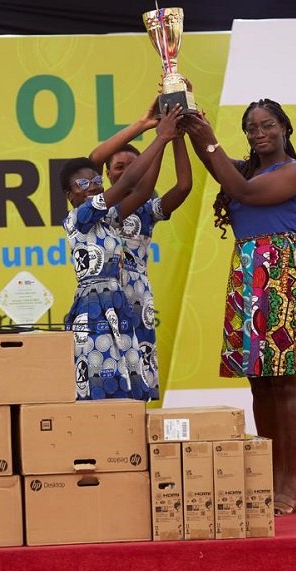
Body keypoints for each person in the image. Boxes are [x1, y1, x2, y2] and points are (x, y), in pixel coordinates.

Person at [182, 99, 296, 516]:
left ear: (285, 128)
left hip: (286, 280)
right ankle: (268, 478)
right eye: (251, 127)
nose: (259, 132)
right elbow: (211, 157)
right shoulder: (240, 167)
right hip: (248, 280)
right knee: (260, 384)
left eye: (267, 124)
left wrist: (209, 141)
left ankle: (291, 483)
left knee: (289, 385)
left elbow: (244, 193)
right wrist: (184, 113)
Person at [64, 104, 184, 401]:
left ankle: (125, 440)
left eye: (95, 183)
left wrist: (169, 136)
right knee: (98, 381)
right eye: (83, 183)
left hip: (126, 301)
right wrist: (154, 132)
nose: (91, 186)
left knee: (129, 383)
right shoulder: (81, 215)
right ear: (70, 194)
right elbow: (117, 174)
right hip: (96, 304)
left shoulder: (110, 216)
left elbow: (143, 190)